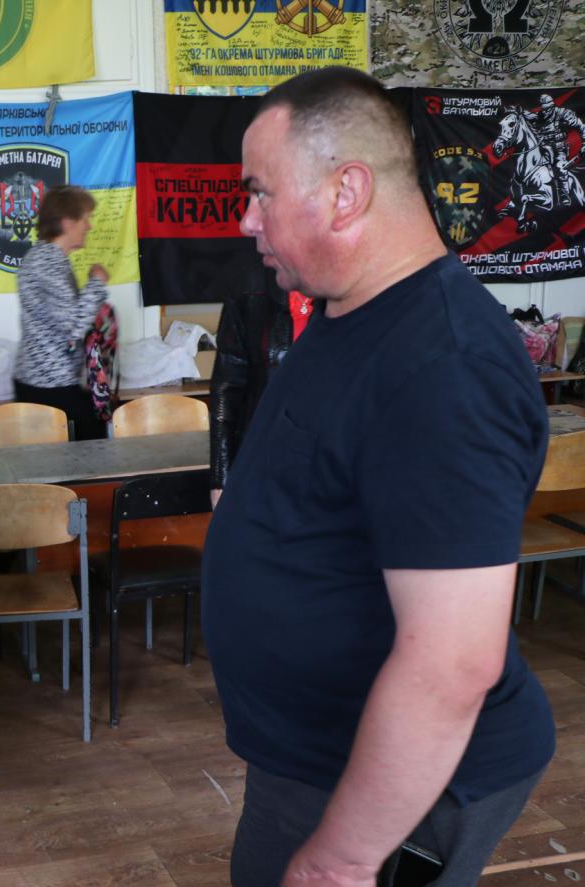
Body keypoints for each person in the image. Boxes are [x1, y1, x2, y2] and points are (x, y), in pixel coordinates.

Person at [201, 67, 555, 886]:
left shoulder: (445, 365)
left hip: (386, 791)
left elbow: (451, 663)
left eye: (259, 193)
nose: (246, 219)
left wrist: (343, 857)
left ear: (346, 192)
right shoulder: (351, 310)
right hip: (313, 758)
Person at [13, 184, 110, 441]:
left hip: (48, 380)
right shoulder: (47, 262)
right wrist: (97, 283)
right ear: (68, 223)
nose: (89, 226)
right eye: (85, 218)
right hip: (49, 384)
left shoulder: (48, 258)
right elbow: (73, 326)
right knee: (92, 449)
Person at [208, 273, 312, 508]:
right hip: (265, 460)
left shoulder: (350, 295)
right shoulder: (249, 294)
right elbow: (227, 388)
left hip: (330, 466)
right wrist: (220, 478)